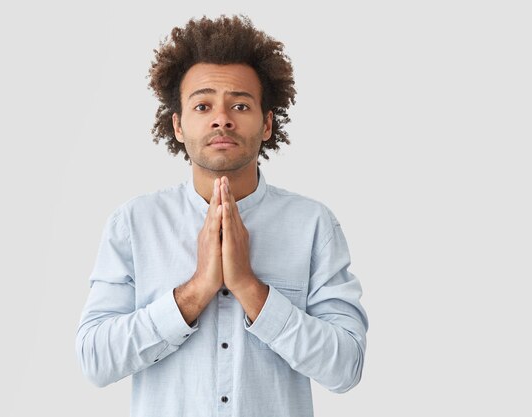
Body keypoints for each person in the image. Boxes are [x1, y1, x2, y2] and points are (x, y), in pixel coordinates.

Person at [76, 14, 368, 417]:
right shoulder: (133, 224)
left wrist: (250, 288)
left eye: (240, 104)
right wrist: (195, 291)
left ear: (267, 123)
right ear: (178, 125)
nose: (222, 118)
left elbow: (346, 367)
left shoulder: (313, 225)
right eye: (203, 104)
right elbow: (95, 360)